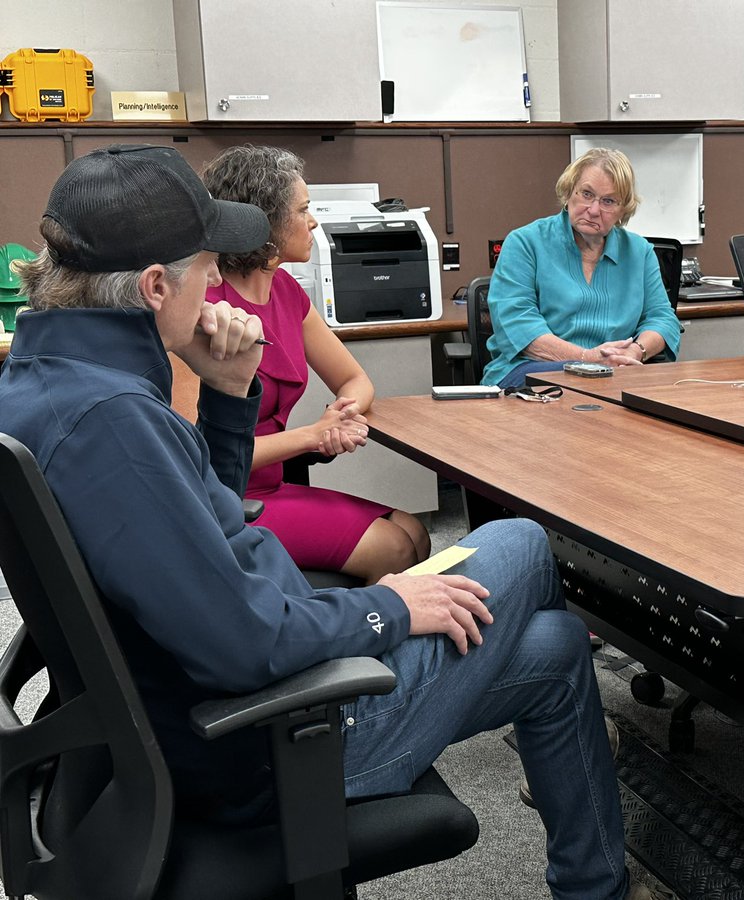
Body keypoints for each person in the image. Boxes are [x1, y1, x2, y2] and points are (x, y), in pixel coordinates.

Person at [0, 144, 664, 900]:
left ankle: (595, 887)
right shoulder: (115, 423)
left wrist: (229, 394)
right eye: (206, 266)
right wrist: (389, 607)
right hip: (283, 733)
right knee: (523, 542)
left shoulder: (48, 383)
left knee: (552, 647)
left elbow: (206, 523)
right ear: (155, 286)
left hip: (227, 702)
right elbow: (243, 643)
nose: (216, 283)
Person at [199, 144, 428, 584]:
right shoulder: (210, 310)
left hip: (272, 485)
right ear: (264, 222)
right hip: (227, 499)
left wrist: (341, 414)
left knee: (414, 531)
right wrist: (312, 436)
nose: (314, 222)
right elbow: (201, 455)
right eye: (303, 210)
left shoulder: (286, 290)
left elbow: (355, 379)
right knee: (395, 548)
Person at [482, 147, 682, 388]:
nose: (594, 210)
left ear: (623, 210)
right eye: (587, 194)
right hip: (531, 371)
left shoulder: (639, 252)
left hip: (614, 375)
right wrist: (587, 359)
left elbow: (662, 319)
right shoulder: (525, 243)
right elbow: (519, 327)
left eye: (608, 201)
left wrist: (635, 352)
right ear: (569, 192)